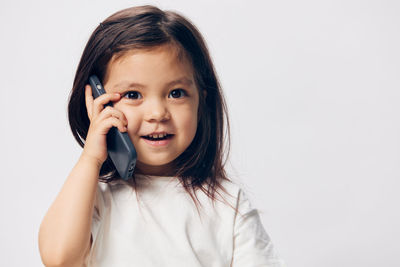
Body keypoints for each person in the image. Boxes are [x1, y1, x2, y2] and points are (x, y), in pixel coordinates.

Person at [38, 5, 284, 267]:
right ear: (99, 102)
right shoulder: (94, 199)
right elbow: (59, 258)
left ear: (201, 102)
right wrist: (90, 158)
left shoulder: (227, 205)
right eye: (133, 95)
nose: (157, 113)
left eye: (176, 93)